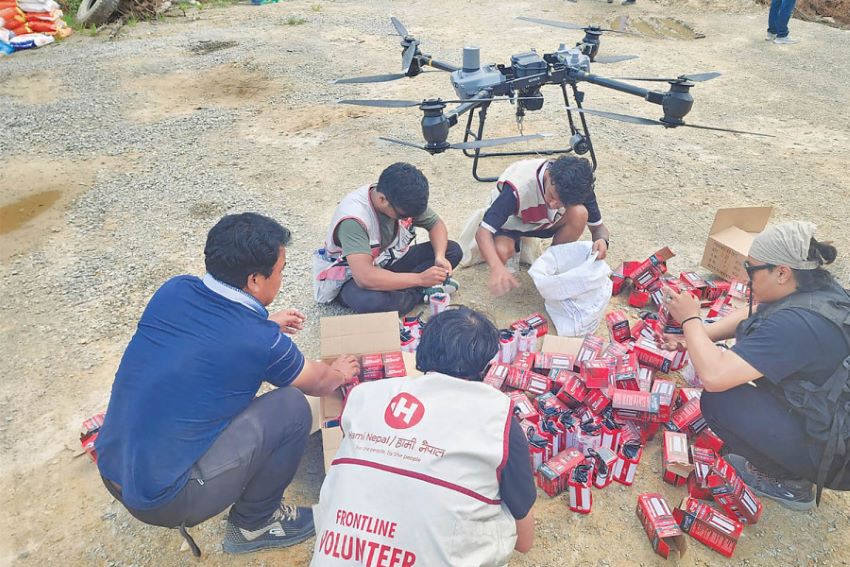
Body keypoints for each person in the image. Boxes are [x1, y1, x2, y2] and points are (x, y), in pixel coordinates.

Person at [95, 213, 361, 556]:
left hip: (113, 466)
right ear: (253, 280)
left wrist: (262, 323)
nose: (280, 278)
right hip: (165, 500)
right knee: (292, 406)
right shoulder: (260, 342)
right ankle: (255, 524)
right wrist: (339, 371)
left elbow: (206, 334)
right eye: (279, 271)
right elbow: (319, 382)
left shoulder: (174, 289)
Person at [311, 307, 537, 566]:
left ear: (421, 351)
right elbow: (524, 542)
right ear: (485, 367)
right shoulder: (498, 416)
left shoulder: (365, 395)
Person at [660, 221, 850, 510]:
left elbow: (714, 375)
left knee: (722, 401)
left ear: (782, 272)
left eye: (751, 269)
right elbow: (758, 314)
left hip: (838, 454)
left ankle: (790, 483)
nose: (745, 277)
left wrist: (690, 319)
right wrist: (696, 337)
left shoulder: (796, 325)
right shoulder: (817, 289)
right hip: (835, 420)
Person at [314, 162, 462, 314]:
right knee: (371, 301)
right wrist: (420, 279)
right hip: (350, 277)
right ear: (382, 200)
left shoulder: (402, 198)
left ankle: (406, 292)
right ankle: (419, 293)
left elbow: (436, 224)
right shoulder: (354, 220)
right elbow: (364, 277)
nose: (408, 218)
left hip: (386, 260)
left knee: (452, 251)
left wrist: (439, 256)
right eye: (403, 215)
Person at [474, 156, 610, 297]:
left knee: (579, 213)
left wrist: (601, 240)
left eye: (561, 203)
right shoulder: (517, 188)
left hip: (544, 222)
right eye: (552, 195)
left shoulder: (579, 189)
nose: (552, 204)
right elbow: (483, 232)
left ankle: (551, 265)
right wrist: (497, 267)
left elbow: (599, 229)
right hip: (510, 221)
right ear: (548, 175)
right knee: (500, 251)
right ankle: (514, 247)